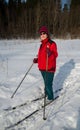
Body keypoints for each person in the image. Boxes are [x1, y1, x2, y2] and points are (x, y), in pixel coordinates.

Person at [33, 26, 58, 100]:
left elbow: (55, 55)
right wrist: (37, 60)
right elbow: (41, 56)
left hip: (49, 68)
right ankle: (46, 93)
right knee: (45, 83)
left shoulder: (52, 44)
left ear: (47, 34)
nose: (42, 35)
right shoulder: (41, 45)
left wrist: (50, 53)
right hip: (42, 68)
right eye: (41, 33)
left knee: (48, 84)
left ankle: (50, 97)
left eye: (44, 33)